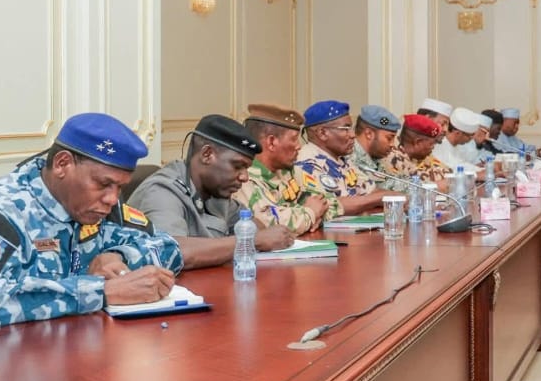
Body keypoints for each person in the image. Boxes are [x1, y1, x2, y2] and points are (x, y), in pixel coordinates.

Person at [0, 113, 183, 345]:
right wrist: (102, 291)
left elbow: (168, 246)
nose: (112, 198)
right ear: (62, 164)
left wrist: (119, 256)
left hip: (64, 348)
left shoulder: (99, 207)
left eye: (120, 187)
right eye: (104, 183)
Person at [130, 114, 296, 265]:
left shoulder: (215, 191)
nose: (245, 177)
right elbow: (171, 251)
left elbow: (252, 225)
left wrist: (260, 235)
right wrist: (251, 241)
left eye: (246, 168)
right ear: (207, 154)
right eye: (237, 166)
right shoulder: (161, 191)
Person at [236, 103, 338, 234]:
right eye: (294, 139)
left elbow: (328, 202)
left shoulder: (286, 171)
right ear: (271, 142)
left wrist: (313, 216)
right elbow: (272, 226)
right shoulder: (244, 178)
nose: (299, 146)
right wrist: (311, 214)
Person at [295, 100, 390, 215]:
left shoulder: (342, 161)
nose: (353, 135)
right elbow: (328, 206)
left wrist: (394, 197)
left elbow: (371, 191)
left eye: (351, 128)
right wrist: (380, 198)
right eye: (345, 129)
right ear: (322, 133)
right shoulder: (307, 164)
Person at [382, 114, 454, 183]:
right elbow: (413, 181)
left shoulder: (421, 156)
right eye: (431, 144)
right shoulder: (392, 157)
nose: (433, 147)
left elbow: (448, 172)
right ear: (418, 142)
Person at [351, 104, 400, 179]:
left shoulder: (375, 155)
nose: (392, 144)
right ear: (369, 134)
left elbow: (387, 181)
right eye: (389, 138)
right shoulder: (351, 158)